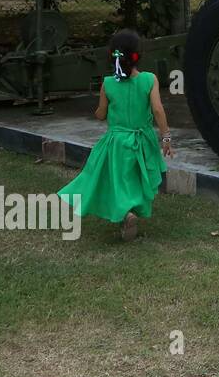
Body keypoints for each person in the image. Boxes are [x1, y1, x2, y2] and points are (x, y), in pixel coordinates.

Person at [57, 29, 175, 241]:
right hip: (143, 141)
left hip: (117, 142)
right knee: (137, 177)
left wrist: (100, 110)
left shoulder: (108, 84)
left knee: (119, 180)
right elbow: (157, 110)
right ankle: (130, 211)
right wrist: (166, 138)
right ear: (138, 55)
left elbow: (101, 114)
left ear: (112, 56)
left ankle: (126, 213)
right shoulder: (150, 79)